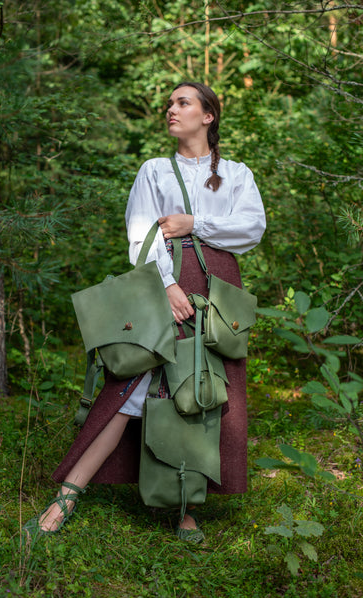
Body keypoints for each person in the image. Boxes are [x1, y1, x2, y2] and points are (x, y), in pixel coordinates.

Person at [24, 81, 266, 543]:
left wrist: (196, 223)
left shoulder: (236, 174)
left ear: (208, 116)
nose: (171, 109)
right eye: (169, 103)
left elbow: (251, 228)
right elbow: (141, 238)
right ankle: (68, 495)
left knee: (202, 393)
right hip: (166, 284)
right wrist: (169, 286)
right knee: (132, 386)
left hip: (219, 294)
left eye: (183, 102)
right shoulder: (155, 170)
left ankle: (185, 507)